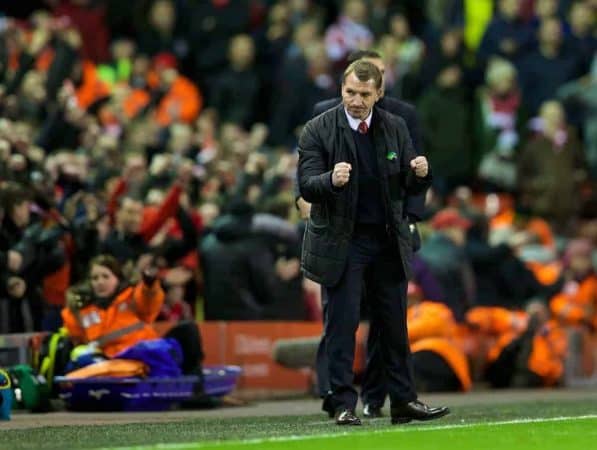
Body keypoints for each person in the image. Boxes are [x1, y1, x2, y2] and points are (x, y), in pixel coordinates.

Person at [297, 59, 449, 425]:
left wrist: (421, 176)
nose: (356, 100)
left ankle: (403, 401)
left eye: (365, 94)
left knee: (395, 325)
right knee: (342, 323)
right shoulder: (318, 129)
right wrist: (331, 179)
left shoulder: (394, 127)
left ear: (379, 94)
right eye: (350, 92)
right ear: (341, 89)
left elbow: (408, 184)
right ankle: (343, 402)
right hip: (341, 241)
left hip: (385, 240)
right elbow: (306, 184)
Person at [61, 255, 205, 386]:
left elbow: (149, 300)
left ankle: (196, 389)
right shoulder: (82, 311)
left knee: (187, 330)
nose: (100, 282)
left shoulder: (131, 298)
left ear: (117, 279)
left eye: (106, 277)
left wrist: (149, 283)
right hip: (110, 363)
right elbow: (75, 340)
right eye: (95, 278)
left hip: (149, 356)